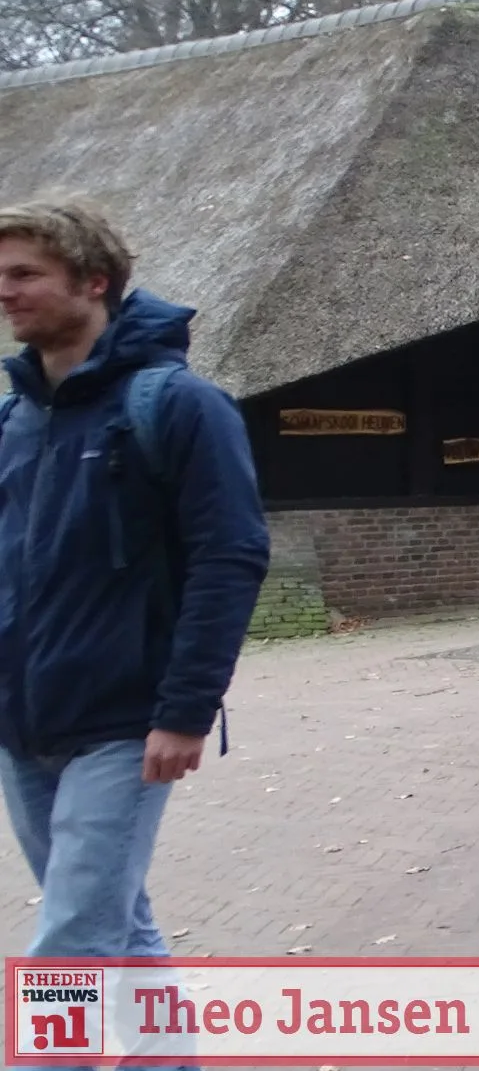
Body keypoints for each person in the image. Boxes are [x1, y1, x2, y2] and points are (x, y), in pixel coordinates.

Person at [0, 195, 270, 999]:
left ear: (94, 281)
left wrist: (187, 709)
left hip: (124, 722)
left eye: (25, 274)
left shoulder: (181, 407)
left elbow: (230, 558)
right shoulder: (13, 420)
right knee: (112, 918)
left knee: (75, 940)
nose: (5, 291)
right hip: (24, 721)